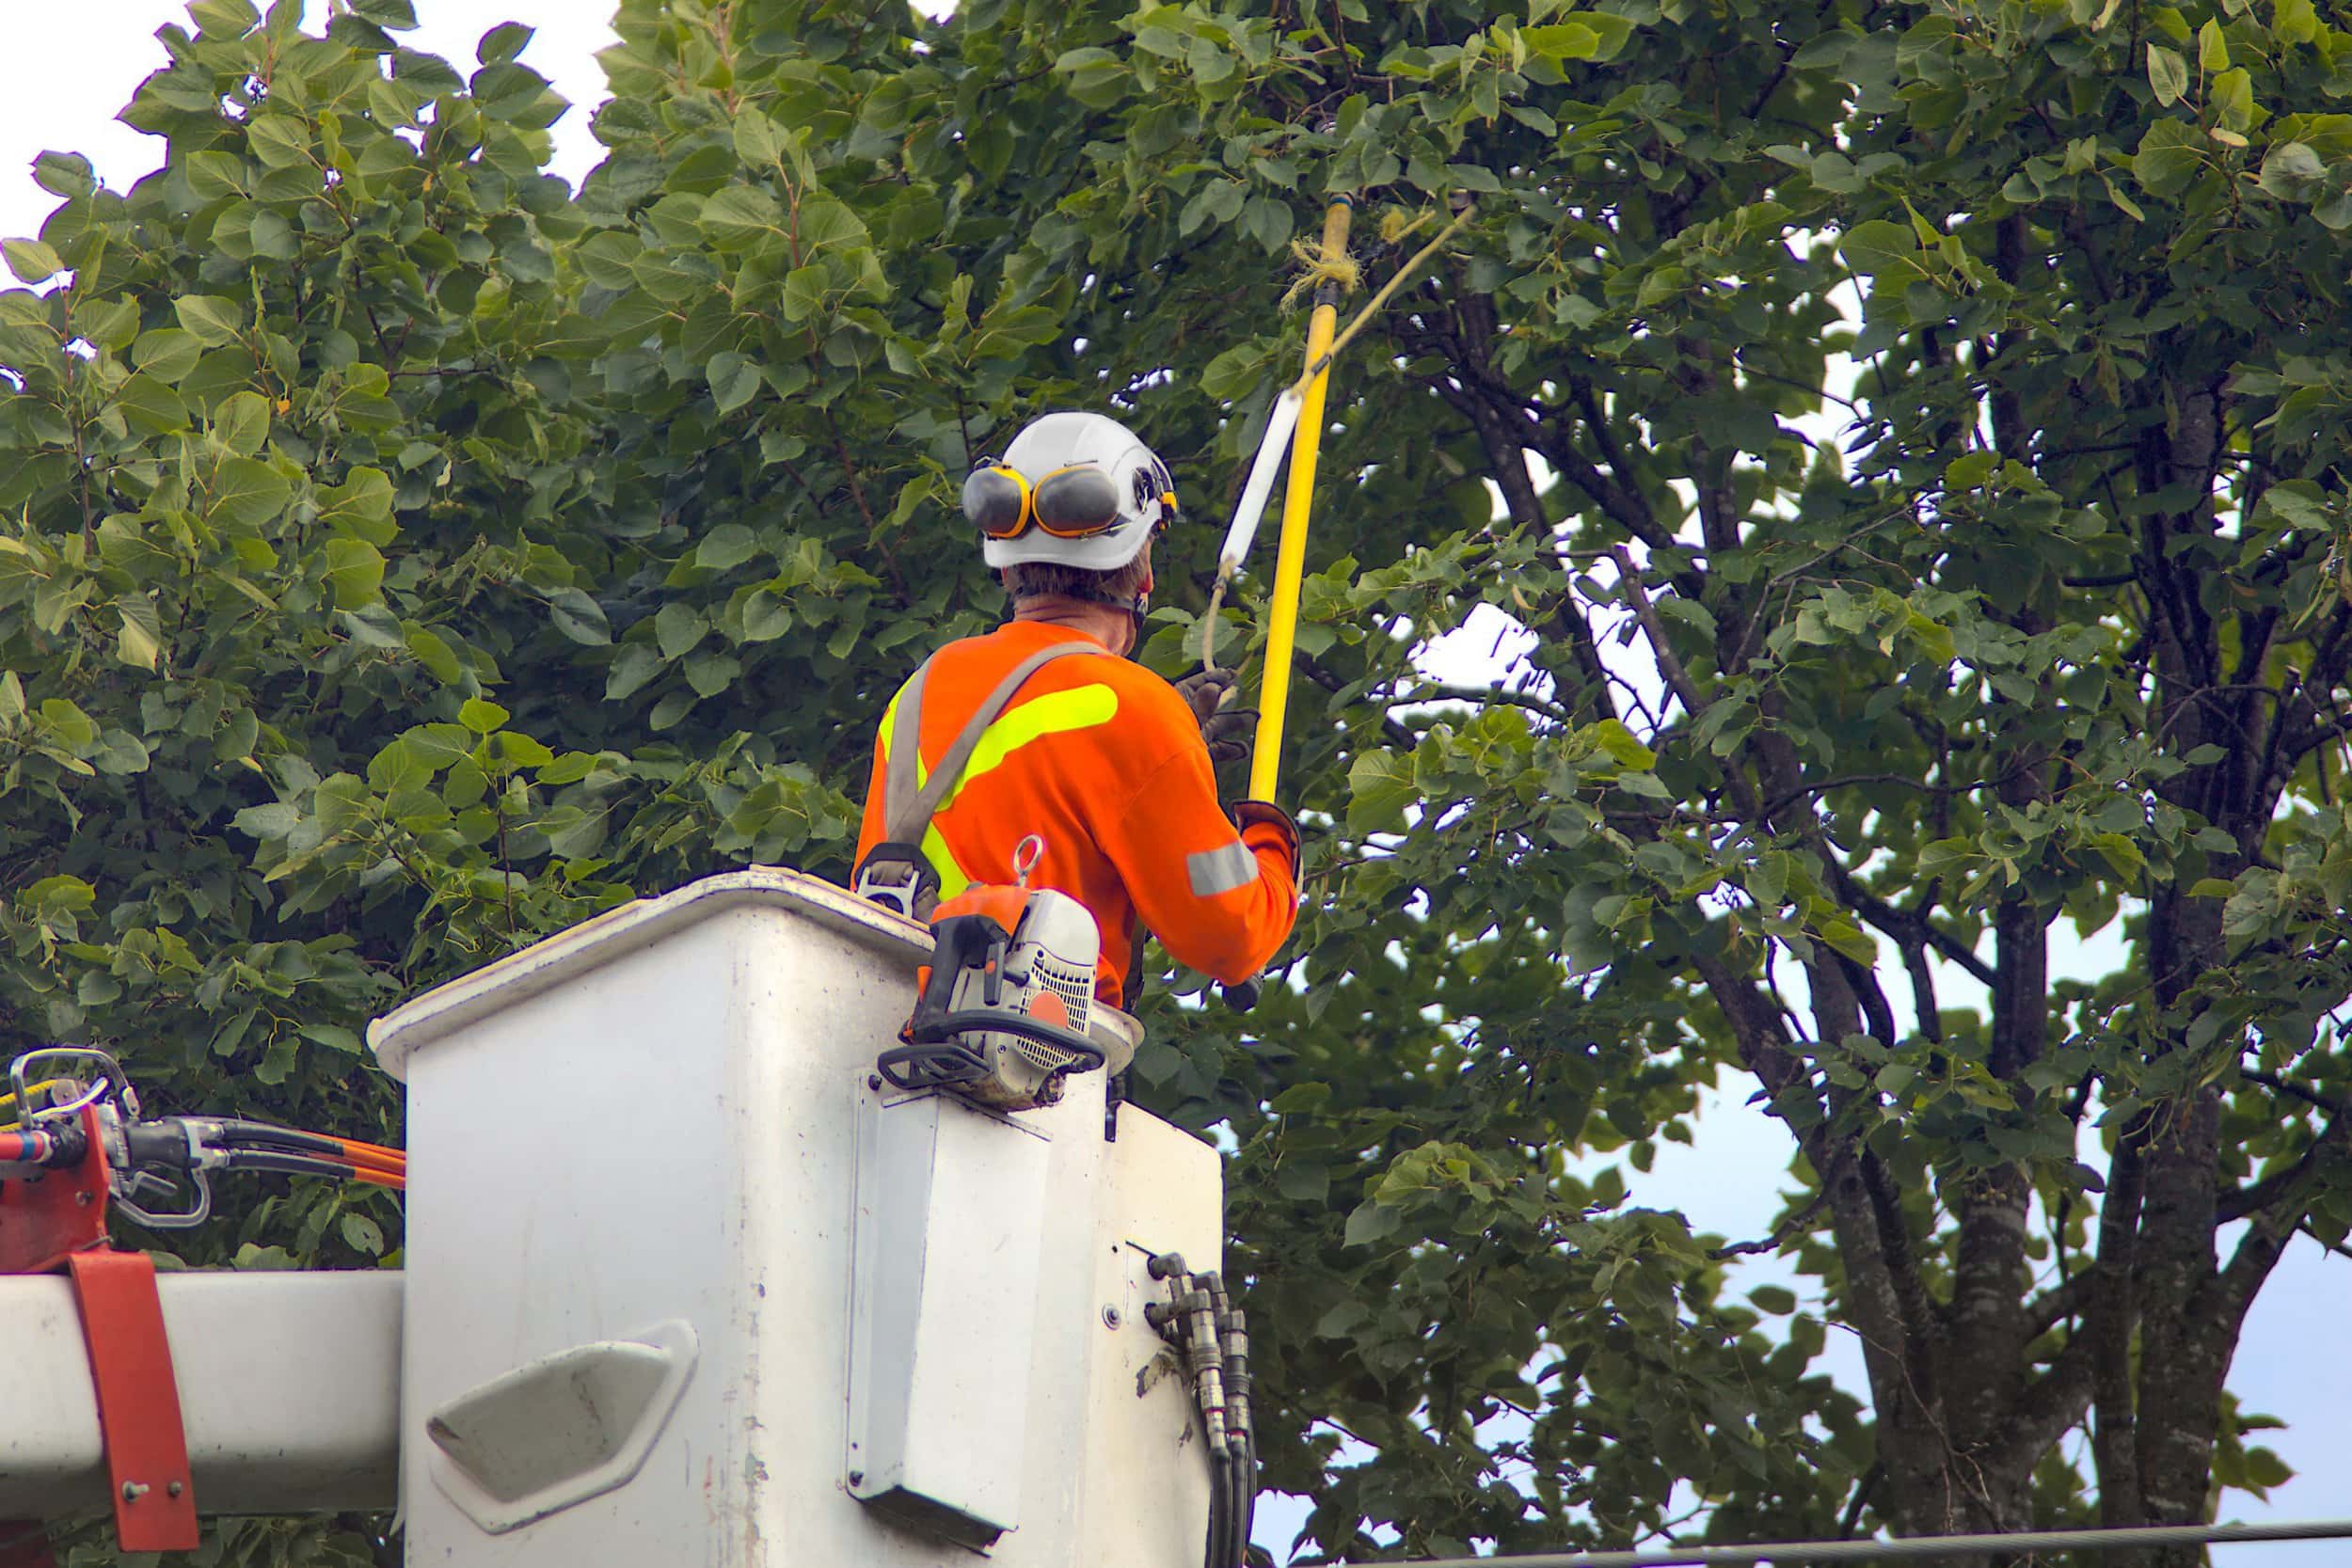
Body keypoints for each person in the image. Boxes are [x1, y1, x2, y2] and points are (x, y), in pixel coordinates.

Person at [851, 410, 1299, 1010]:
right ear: (1143, 574)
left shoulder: (919, 691)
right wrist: (1271, 844)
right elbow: (1233, 935)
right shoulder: (1135, 710)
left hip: (883, 1041)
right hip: (1038, 1070)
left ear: (1007, 564)